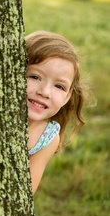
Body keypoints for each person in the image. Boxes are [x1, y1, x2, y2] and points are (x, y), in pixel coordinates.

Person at [25, 31, 87, 195]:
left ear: (67, 97)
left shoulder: (48, 136)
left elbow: (26, 190)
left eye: (59, 86)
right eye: (35, 77)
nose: (45, 92)